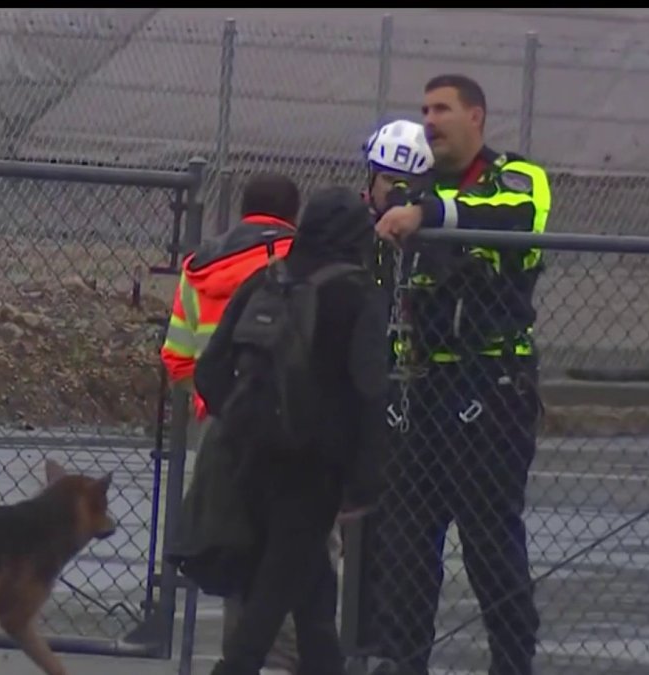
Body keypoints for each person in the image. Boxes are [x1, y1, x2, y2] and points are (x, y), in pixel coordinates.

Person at [365, 74, 553, 675]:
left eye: (442, 108)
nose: (430, 119)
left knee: (490, 540)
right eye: (424, 109)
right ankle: (403, 661)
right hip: (418, 391)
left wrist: (426, 212)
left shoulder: (516, 178)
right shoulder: (412, 188)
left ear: (477, 115)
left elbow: (516, 217)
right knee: (408, 543)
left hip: (490, 390)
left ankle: (512, 662)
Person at [194, 186, 390, 675]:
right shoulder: (358, 293)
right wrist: (366, 481)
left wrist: (242, 420)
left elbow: (211, 369)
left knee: (313, 595)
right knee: (275, 591)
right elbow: (370, 392)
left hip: (250, 457)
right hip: (315, 468)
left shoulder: (268, 278)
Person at [158, 171, 305, 674]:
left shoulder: (200, 266)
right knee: (301, 545)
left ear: (243, 211)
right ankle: (293, 659)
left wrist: (212, 407)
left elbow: (178, 358)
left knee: (233, 538)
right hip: (291, 427)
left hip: (220, 427)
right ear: (293, 214)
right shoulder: (305, 262)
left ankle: (242, 658)